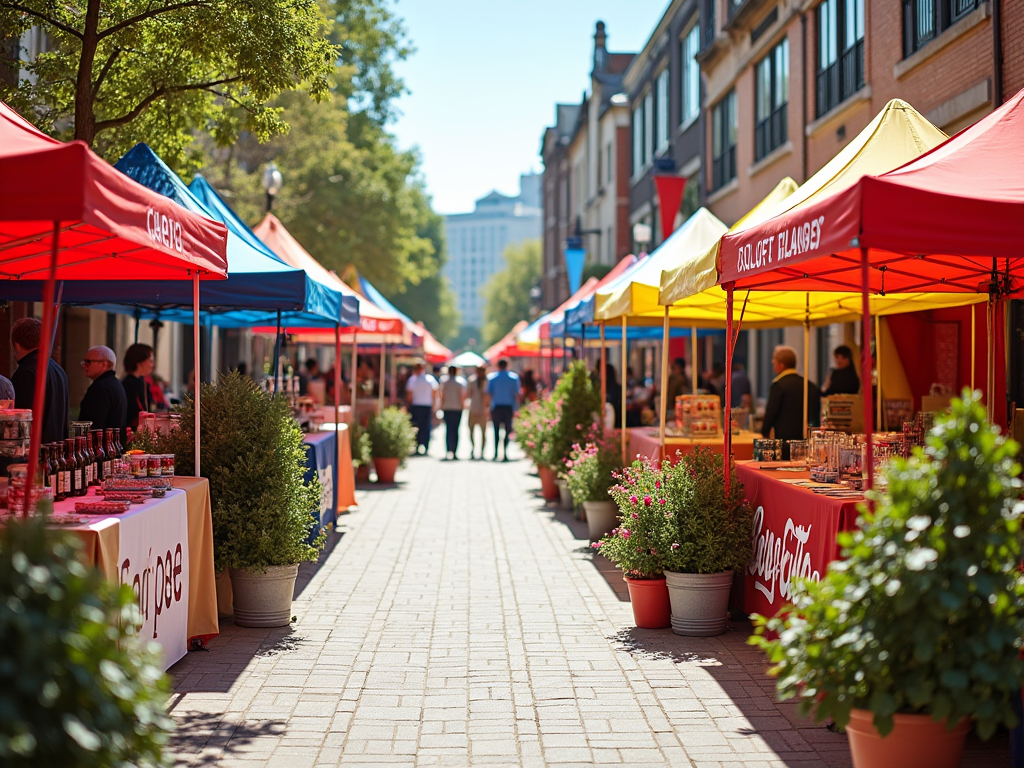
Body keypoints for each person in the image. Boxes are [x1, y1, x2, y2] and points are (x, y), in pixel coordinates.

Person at [10, 317, 69, 443]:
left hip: (35, 453)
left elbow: (21, 420)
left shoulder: (26, 373)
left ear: (16, 345)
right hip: (56, 450)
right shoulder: (59, 370)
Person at [761, 345, 821, 443]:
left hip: (785, 440)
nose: (773, 366)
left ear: (781, 365)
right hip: (807, 440)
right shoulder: (810, 386)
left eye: (774, 363)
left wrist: (764, 431)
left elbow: (771, 412)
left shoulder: (778, 385)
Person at [78, 345, 127, 438]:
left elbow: (93, 426)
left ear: (105, 364)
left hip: (100, 448)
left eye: (88, 362)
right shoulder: (116, 384)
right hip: (113, 447)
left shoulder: (100, 388)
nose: (84, 366)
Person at [487, 359, 520, 462]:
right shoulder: (513, 378)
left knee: (496, 430)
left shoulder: (492, 378)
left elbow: (489, 393)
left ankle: (496, 452)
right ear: (507, 365)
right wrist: (517, 408)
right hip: (508, 407)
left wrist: (488, 408)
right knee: (507, 430)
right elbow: (517, 394)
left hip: (496, 407)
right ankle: (505, 453)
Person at [405, 363, 438, 455]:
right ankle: (425, 446)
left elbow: (409, 395)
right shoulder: (429, 379)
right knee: (425, 427)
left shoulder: (412, 380)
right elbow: (435, 393)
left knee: (418, 427)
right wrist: (435, 406)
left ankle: (419, 446)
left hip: (417, 406)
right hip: (425, 406)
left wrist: (408, 405)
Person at [121, 343, 154, 431]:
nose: (152, 365)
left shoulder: (141, 380)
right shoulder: (129, 384)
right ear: (140, 362)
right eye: (150, 361)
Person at [439, 365, 467, 460]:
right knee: (455, 430)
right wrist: (463, 407)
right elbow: (462, 396)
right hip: (457, 408)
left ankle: (448, 450)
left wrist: (441, 407)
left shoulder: (444, 382)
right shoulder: (460, 382)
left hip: (447, 408)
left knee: (448, 430)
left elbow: (442, 396)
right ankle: (454, 451)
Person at [467, 365, 490, 460]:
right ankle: (473, 448)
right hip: (473, 408)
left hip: (483, 410)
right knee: (471, 431)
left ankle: (482, 450)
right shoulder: (472, 380)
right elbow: (469, 394)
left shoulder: (487, 381)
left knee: (483, 433)